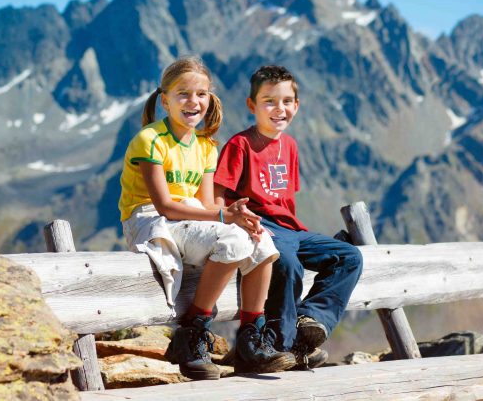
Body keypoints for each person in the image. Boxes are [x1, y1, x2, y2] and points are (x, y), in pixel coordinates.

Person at [118, 57, 295, 380]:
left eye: (201, 94)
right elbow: (165, 206)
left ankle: (250, 339)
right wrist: (222, 217)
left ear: (210, 99)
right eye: (182, 93)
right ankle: (192, 333)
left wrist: (237, 216)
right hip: (149, 220)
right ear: (165, 100)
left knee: (260, 239)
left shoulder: (206, 146)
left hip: (187, 218)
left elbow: (207, 204)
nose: (193, 101)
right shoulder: (150, 139)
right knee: (230, 240)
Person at [214, 65, 363, 369]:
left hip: (290, 229)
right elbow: (219, 197)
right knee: (287, 261)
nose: (278, 109)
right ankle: (275, 346)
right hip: (257, 224)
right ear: (251, 105)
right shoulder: (240, 145)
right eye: (269, 101)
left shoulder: (290, 146)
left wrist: (294, 235)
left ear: (296, 105)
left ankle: (309, 321)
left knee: (349, 257)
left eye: (286, 101)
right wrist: (232, 219)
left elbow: (285, 201)